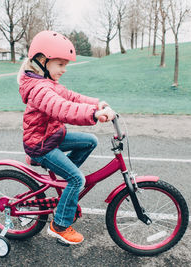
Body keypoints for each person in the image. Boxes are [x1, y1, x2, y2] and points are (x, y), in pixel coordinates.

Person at [17, 30, 115, 245]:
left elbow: (70, 96)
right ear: (42, 61)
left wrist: (96, 103)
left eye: (65, 65)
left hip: (52, 136)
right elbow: (62, 108)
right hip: (40, 145)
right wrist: (93, 115)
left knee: (90, 141)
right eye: (60, 64)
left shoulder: (47, 82)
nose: (64, 70)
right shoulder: (39, 88)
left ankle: (65, 182)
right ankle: (59, 225)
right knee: (77, 179)